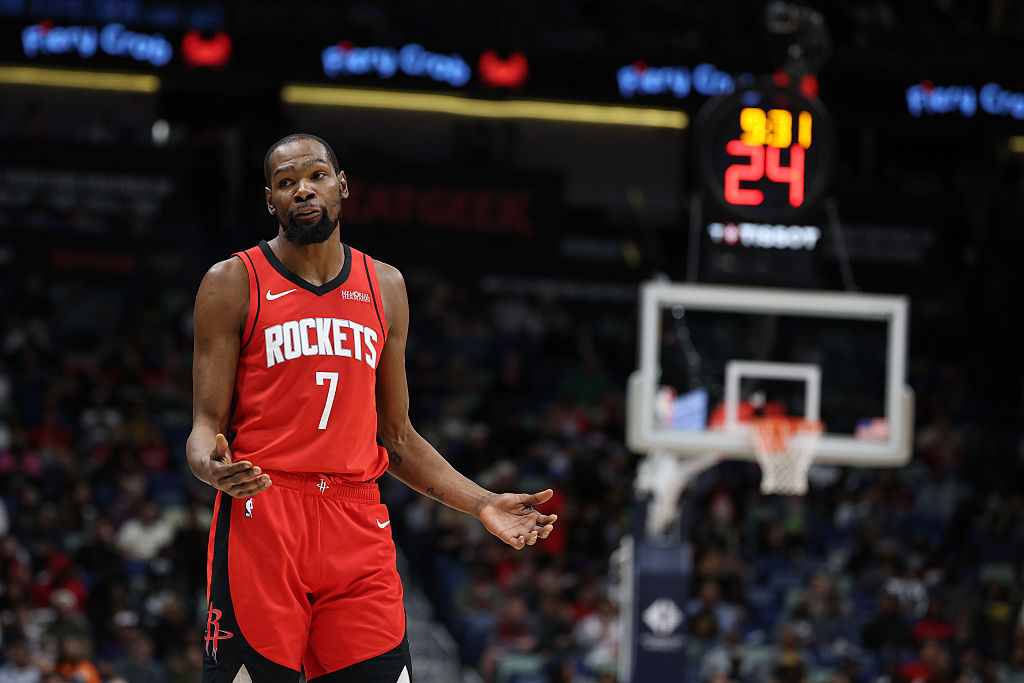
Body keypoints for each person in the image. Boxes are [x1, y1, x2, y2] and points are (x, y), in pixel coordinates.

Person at [186, 133, 558, 683]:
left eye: (315, 176)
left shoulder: (385, 286)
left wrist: (481, 504)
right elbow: (204, 429)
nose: (303, 191)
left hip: (356, 520)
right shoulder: (232, 282)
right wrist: (211, 468)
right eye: (286, 184)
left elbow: (398, 438)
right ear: (271, 201)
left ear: (342, 186)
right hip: (264, 513)